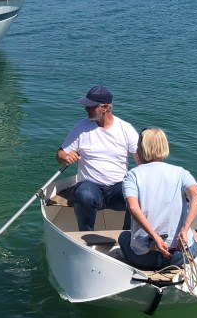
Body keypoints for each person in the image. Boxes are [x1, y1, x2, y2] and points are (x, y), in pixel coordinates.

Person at [119, 128, 197, 270]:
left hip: (145, 256)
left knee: (123, 237)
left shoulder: (132, 175)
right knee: (191, 239)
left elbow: (133, 207)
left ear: (142, 149)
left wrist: (155, 237)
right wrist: (184, 229)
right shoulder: (181, 173)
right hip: (181, 254)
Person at [56, 85, 139, 230]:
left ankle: (128, 234)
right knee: (84, 195)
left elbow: (141, 162)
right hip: (90, 186)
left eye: (90, 106)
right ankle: (86, 234)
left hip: (118, 187)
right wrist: (66, 157)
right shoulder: (81, 128)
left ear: (105, 107)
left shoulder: (125, 129)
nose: (86, 109)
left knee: (139, 194)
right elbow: (60, 154)